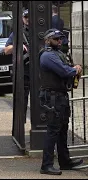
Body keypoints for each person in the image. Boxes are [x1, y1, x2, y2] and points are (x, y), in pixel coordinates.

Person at [39, 28, 84, 175]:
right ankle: (46, 165)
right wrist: (75, 69)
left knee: (63, 129)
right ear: (48, 40)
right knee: (53, 130)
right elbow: (64, 71)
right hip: (52, 97)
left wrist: (73, 70)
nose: (60, 41)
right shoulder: (47, 56)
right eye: (56, 39)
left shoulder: (59, 54)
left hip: (60, 96)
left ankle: (65, 161)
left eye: (61, 39)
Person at [4, 9, 30, 121]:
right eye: (26, 17)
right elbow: (6, 50)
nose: (28, 19)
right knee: (21, 99)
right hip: (22, 70)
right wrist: (17, 45)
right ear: (22, 19)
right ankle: (21, 121)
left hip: (37, 70)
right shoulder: (17, 33)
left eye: (30, 17)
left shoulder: (39, 32)